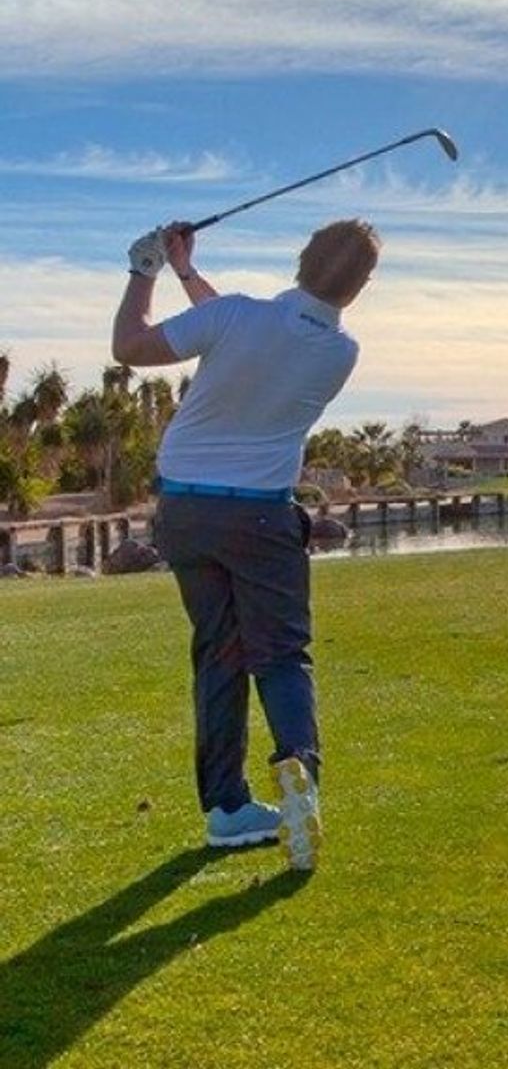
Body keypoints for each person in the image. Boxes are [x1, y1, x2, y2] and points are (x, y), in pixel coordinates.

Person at [113, 218, 380, 871]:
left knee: (219, 653)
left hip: (186, 515)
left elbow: (132, 345)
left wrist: (144, 268)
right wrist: (182, 270)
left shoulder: (235, 318)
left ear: (301, 257)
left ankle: (228, 809)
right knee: (281, 655)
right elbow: (241, 330)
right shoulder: (339, 352)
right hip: (261, 522)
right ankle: (300, 776)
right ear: (360, 286)